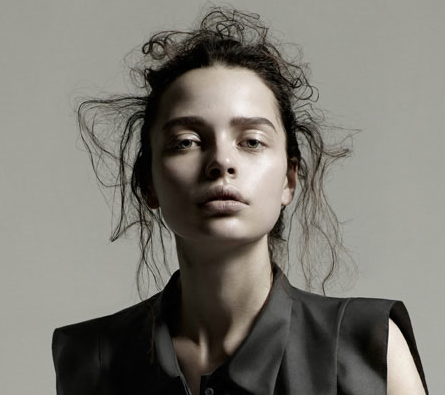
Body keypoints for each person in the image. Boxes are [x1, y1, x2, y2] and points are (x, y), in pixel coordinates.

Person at [52, 6, 429, 395]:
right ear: (148, 182)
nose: (221, 162)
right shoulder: (90, 357)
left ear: (289, 178)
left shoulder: (365, 345)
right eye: (187, 142)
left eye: (251, 141)